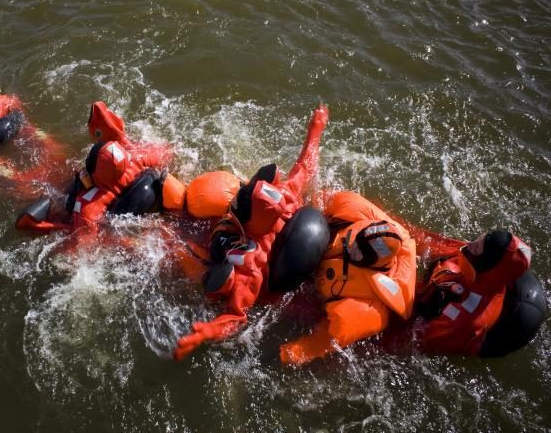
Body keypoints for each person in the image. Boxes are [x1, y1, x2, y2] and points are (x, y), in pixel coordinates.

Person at [173, 104, 329, 360]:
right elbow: (305, 167)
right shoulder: (287, 196)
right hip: (291, 239)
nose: (240, 192)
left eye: (243, 198)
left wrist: (205, 332)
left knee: (175, 246)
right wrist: (316, 129)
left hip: (274, 285)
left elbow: (236, 317)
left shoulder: (250, 265)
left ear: (250, 218)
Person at [16, 101, 243, 246]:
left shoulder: (91, 205)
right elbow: (167, 150)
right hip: (180, 203)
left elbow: (81, 249)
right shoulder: (138, 157)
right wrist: (122, 138)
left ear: (94, 173)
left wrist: (51, 227)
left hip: (160, 226)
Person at [277, 191, 416, 365]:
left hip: (333, 297)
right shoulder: (358, 212)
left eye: (357, 253)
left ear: (370, 265)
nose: (351, 248)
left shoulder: (368, 309)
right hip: (329, 258)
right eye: (354, 242)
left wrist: (289, 354)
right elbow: (325, 197)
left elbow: (325, 340)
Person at [410, 229, 545, 357]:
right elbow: (421, 239)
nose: (468, 244)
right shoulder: (474, 258)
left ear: (484, 265)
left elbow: (410, 341)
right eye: (476, 240)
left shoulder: (460, 317)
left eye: (475, 247)